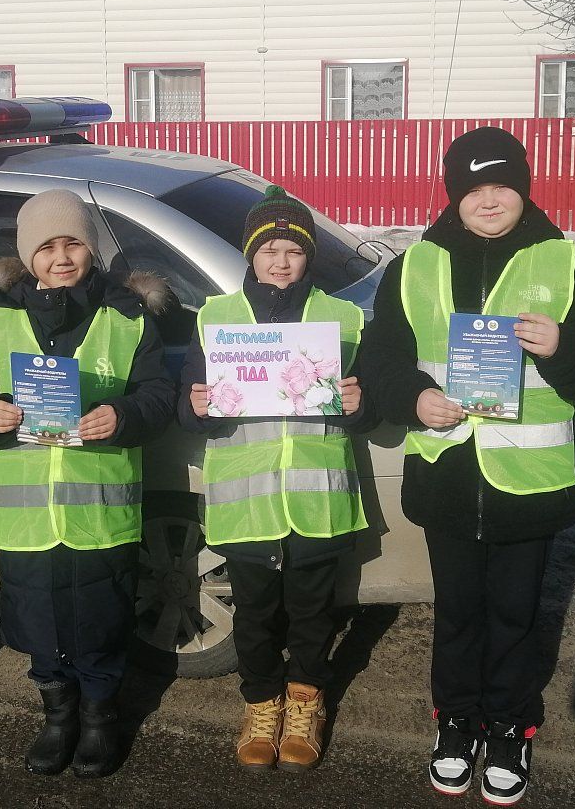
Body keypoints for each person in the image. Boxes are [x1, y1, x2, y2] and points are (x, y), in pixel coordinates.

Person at [360, 129, 575, 806]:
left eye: (502, 185)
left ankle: (509, 726)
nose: (489, 199)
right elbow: (380, 360)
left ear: (524, 188)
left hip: (527, 484)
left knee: (514, 614)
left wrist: (562, 344)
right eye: (474, 187)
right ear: (454, 193)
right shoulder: (414, 264)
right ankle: (454, 723)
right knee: (456, 613)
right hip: (447, 474)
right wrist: (415, 398)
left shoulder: (566, 263)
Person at [0, 188, 175, 779]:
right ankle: (56, 715)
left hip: (100, 513)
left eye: (73, 242)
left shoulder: (126, 317)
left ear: (92, 251)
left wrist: (121, 416)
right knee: (40, 622)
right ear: (28, 255)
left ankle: (99, 717)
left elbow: (157, 396)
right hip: (29, 519)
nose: (62, 256)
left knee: (101, 616)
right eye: (47, 246)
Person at [178, 185, 377, 772]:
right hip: (247, 501)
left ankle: (306, 699)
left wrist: (358, 403)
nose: (281, 261)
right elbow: (189, 410)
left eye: (292, 249)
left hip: (317, 499)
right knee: (256, 613)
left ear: (307, 256)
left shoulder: (341, 318)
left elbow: (370, 409)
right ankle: (262, 702)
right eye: (269, 250)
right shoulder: (217, 319)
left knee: (315, 612)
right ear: (250, 254)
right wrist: (198, 404)